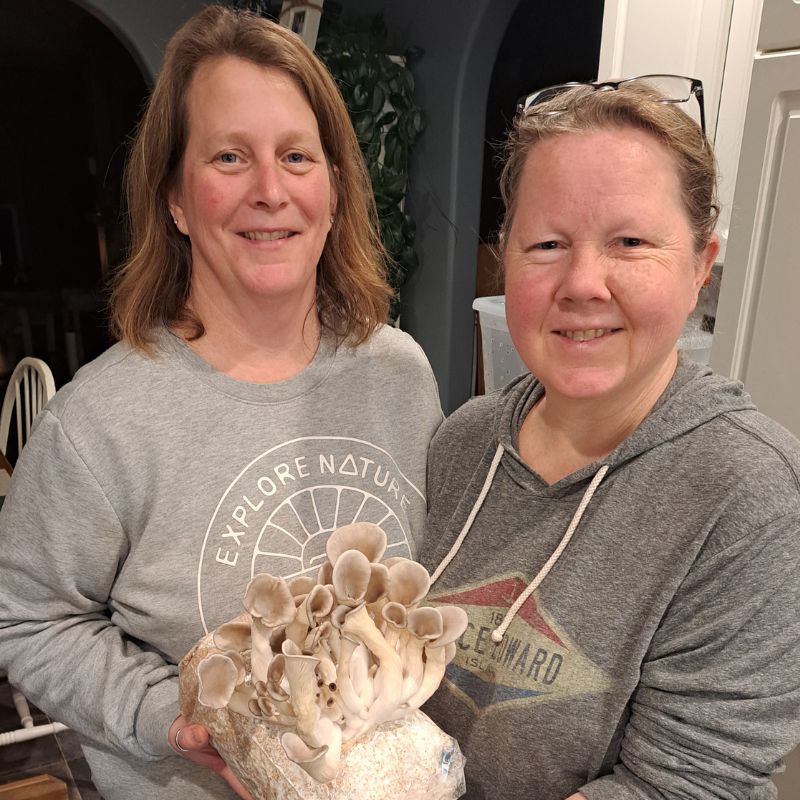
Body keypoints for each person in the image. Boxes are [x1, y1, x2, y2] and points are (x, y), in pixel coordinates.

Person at [0, 6, 442, 799]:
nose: (270, 191)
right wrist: (166, 713)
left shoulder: (399, 374)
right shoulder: (101, 422)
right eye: (230, 157)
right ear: (174, 198)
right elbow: (24, 619)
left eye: (297, 156)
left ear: (334, 190)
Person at [418, 76, 800, 800]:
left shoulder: (752, 496)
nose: (582, 282)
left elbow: (685, 788)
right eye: (548, 243)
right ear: (507, 261)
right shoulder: (464, 442)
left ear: (700, 268)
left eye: (629, 242)